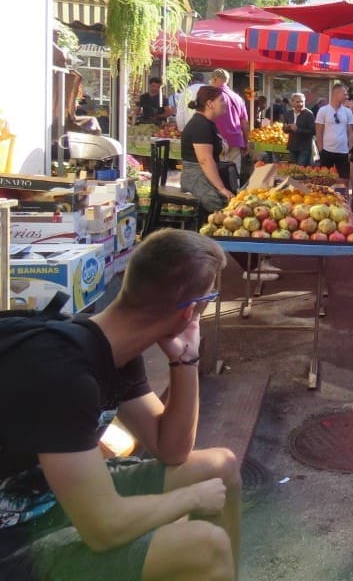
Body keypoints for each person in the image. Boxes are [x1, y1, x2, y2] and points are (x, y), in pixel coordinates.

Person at [0, 229, 242, 580]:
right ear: (188, 312)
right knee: (206, 546)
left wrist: (186, 361)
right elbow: (104, 529)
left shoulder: (112, 351)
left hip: (51, 497)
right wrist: (191, 498)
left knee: (222, 466)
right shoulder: (66, 374)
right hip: (13, 535)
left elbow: (171, 449)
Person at [181, 87, 277, 282]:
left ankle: (255, 261)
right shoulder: (200, 125)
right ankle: (251, 267)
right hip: (197, 178)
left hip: (205, 174)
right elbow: (205, 161)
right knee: (228, 214)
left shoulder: (207, 123)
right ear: (209, 104)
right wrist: (222, 189)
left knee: (235, 208)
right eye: (221, 101)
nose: (225, 104)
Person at [208, 69, 248, 174]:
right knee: (234, 173)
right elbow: (244, 123)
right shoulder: (238, 98)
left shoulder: (212, 96)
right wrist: (246, 142)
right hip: (236, 140)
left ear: (215, 79)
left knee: (217, 173)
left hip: (217, 140)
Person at [315, 83, 353, 179]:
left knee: (344, 178)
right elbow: (319, 132)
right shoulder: (323, 110)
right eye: (344, 94)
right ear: (336, 94)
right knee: (324, 179)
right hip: (326, 151)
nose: (347, 96)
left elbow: (350, 132)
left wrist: (350, 149)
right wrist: (321, 150)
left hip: (343, 152)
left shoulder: (347, 112)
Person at [283, 93, 315, 166]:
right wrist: (286, 128)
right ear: (292, 103)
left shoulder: (309, 114)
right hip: (292, 147)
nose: (300, 104)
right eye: (298, 102)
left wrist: (298, 130)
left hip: (304, 148)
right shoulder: (288, 113)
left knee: (301, 169)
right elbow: (284, 129)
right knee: (292, 169)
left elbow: (313, 131)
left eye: (302, 102)